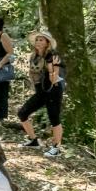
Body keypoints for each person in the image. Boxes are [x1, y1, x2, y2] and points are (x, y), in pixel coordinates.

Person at [18, 29, 65, 158]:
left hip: (53, 90)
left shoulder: (52, 56)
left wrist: (51, 69)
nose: (38, 42)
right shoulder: (34, 56)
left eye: (41, 40)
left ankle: (57, 147)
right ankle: (34, 140)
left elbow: (54, 78)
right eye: (37, 39)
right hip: (40, 91)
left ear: (47, 42)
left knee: (54, 118)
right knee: (22, 113)